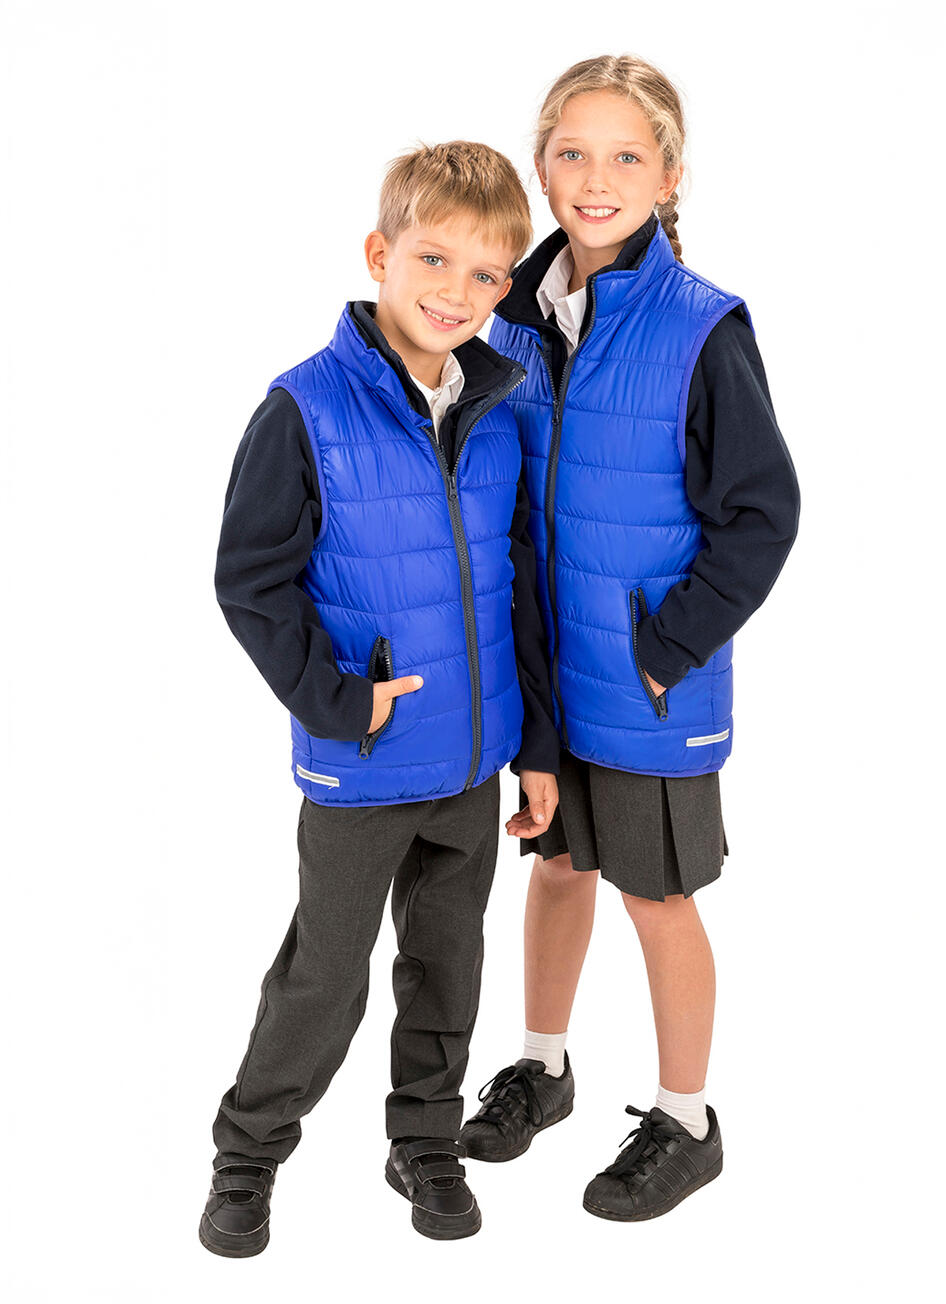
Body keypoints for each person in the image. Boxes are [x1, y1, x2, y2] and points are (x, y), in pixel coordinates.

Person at [199, 140, 560, 1254]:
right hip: (363, 766)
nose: (457, 292)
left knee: (448, 965)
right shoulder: (304, 408)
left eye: (486, 274)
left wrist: (537, 744)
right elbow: (249, 581)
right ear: (379, 254)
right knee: (325, 976)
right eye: (434, 260)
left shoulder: (496, 408)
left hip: (473, 765)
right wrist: (336, 701)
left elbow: (517, 586)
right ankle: (247, 1155)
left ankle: (425, 1140)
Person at [460, 56, 801, 1222]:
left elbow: (761, 514)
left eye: (624, 155)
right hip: (548, 672)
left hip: (651, 680)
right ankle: (542, 1064)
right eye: (571, 152)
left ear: (668, 176)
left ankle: (686, 1118)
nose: (594, 177)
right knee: (558, 865)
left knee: (655, 895)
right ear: (540, 165)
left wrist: (668, 647)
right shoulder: (509, 317)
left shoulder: (701, 328)